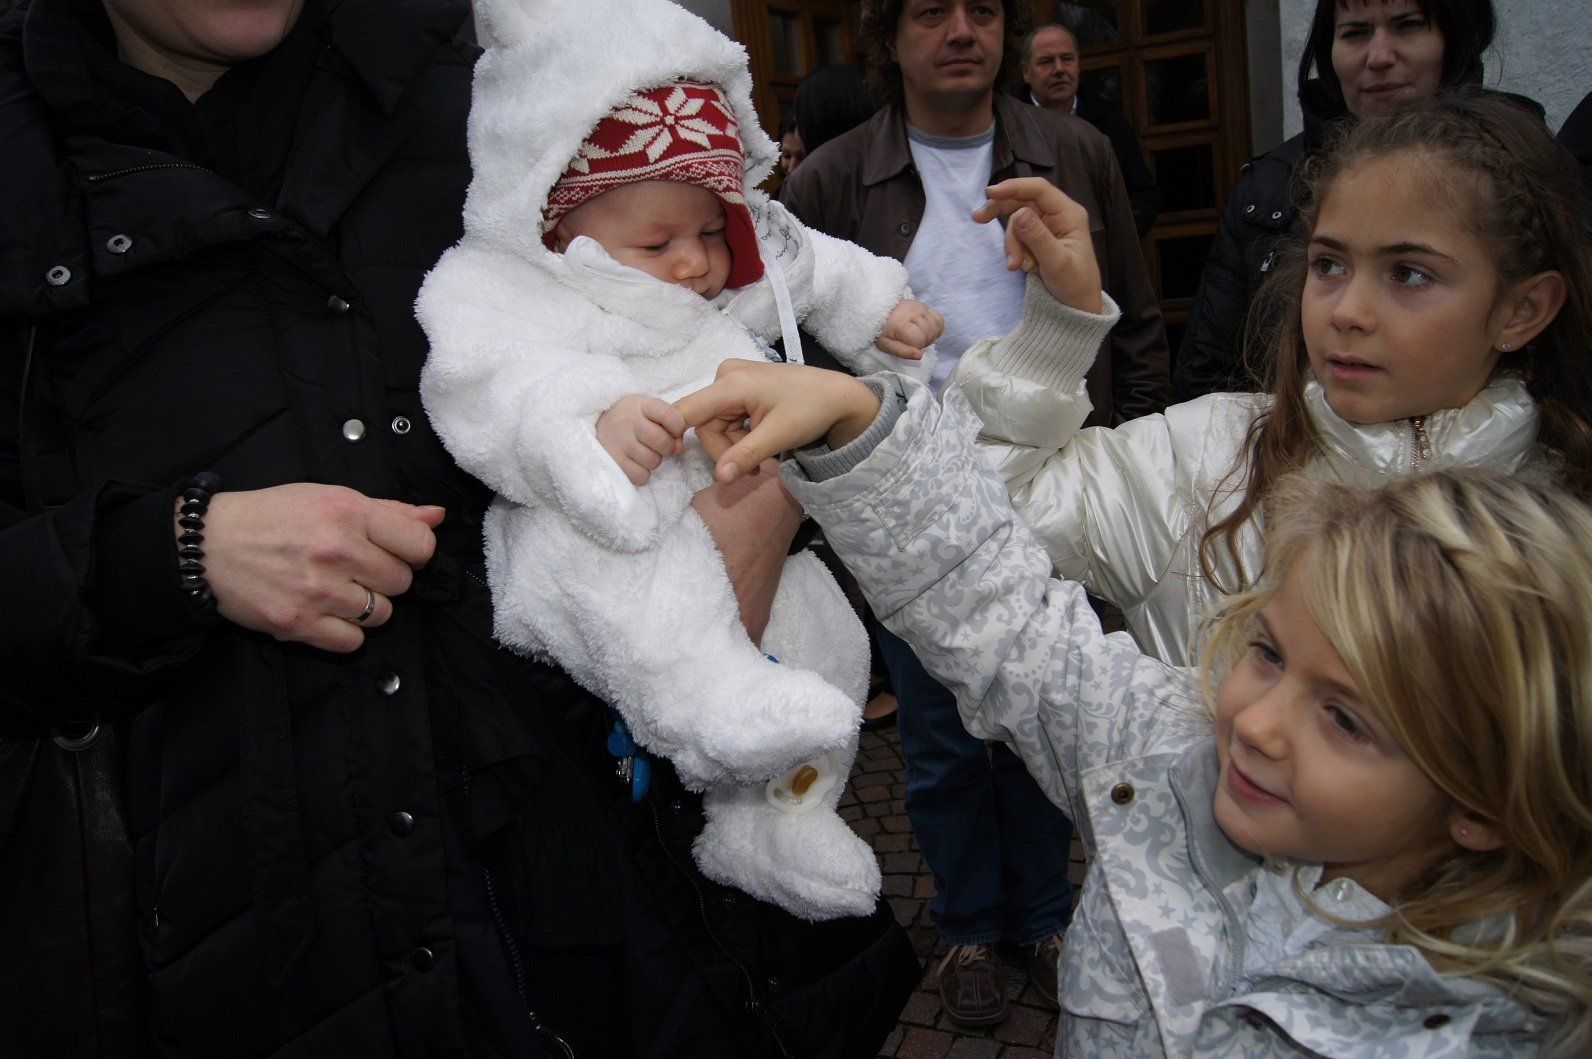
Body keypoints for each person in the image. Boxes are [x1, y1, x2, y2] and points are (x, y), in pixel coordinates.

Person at [0, 0, 919, 1054]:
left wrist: (759, 518)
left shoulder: (495, 81)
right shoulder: (26, 164)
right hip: (254, 930)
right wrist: (173, 551)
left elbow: (770, 298)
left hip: (609, 871)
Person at [675, 353, 1592, 1054]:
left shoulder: (1496, 1029)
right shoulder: (1169, 755)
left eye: (1346, 719)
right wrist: (858, 423)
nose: (1257, 723)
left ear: (1482, 801)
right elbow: (1007, 619)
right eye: (1269, 652)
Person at [415, 0, 941, 922]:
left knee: (826, 637)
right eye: (658, 243)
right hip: (598, 536)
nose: (697, 263)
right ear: (557, 224)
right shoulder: (505, 288)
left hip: (740, 520)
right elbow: (479, 380)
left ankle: (778, 816)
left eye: (707, 231)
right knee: (634, 591)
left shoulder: (726, 256)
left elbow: (806, 261)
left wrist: (878, 308)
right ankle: (705, 701)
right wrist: (584, 425)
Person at [781, 0, 1167, 1027]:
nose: (961, 30)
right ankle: (966, 928)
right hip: (912, 506)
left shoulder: (1074, 151)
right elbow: (793, 348)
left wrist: (1135, 461)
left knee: (1051, 719)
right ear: (888, 35)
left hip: (1057, 481)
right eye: (930, 11)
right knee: (944, 740)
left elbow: (1129, 311)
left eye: (983, 9)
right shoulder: (831, 178)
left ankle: (1041, 917)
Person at [949, 90, 1590, 673]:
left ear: (1523, 309)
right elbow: (974, 517)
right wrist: (1058, 329)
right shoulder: (1201, 462)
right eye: (1329, 264)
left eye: (1409, 275)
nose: (1346, 312)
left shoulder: (1566, 532)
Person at [1175, 0, 1499, 401]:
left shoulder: (1513, 172)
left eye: (1407, 26)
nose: (1378, 57)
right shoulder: (1269, 187)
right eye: (1355, 33)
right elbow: (1209, 369)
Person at [1021, 22, 1161, 236]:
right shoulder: (1007, 123)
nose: (1059, 69)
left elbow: (1143, 196)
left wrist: (1109, 238)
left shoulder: (1109, 122)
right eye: (1046, 61)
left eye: (1067, 59)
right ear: (1026, 72)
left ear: (1078, 65)